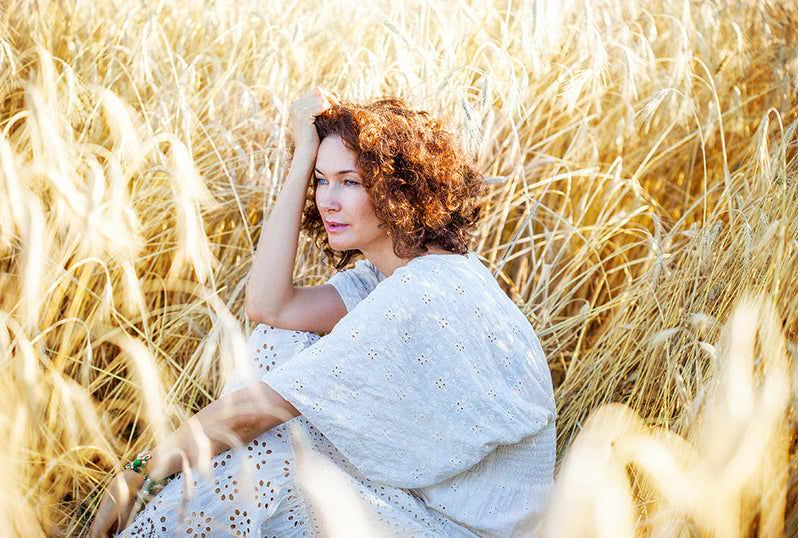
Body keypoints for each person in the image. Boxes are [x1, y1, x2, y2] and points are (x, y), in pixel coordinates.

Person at [90, 88, 556, 537]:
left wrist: (143, 471)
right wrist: (300, 161)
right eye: (321, 180)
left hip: (461, 530)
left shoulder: (425, 291)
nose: (327, 201)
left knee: (266, 454)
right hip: (422, 504)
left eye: (350, 182)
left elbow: (256, 413)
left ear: (401, 190)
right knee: (279, 340)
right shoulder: (390, 277)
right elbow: (270, 307)